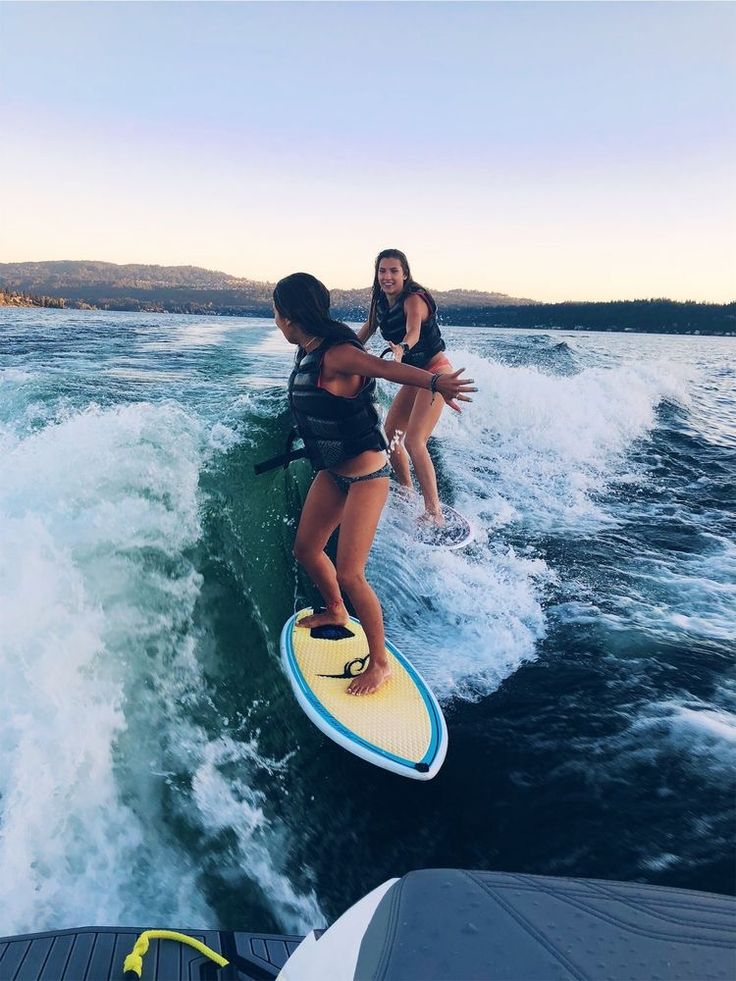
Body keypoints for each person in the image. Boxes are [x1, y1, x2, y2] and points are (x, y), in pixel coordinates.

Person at [273, 272, 475, 695]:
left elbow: (386, 368)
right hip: (333, 472)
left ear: (290, 317)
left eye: (277, 313)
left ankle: (379, 662)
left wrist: (437, 382)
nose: (276, 321)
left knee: (351, 572)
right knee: (307, 549)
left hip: (366, 476)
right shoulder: (309, 350)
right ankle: (335, 612)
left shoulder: (338, 354)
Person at [357, 249, 457, 525]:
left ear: (405, 274)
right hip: (415, 377)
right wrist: (343, 349)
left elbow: (412, 332)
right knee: (391, 435)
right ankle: (406, 490)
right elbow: (367, 329)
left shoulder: (414, 300)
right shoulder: (379, 303)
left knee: (414, 440)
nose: (387, 277)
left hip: (436, 374)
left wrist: (400, 348)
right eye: (382, 271)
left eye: (393, 271)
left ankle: (434, 512)